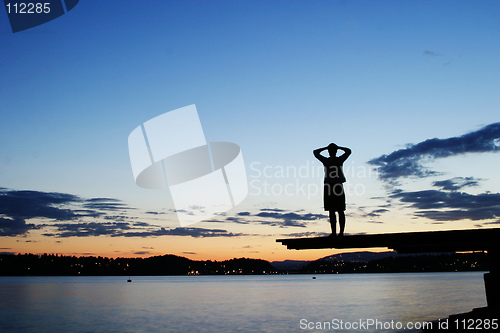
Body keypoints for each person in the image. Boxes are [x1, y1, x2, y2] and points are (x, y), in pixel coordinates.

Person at [313, 143, 351, 236]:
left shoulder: (327, 160)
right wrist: (337, 147)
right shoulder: (338, 160)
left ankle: (336, 233)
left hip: (331, 186)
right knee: (338, 210)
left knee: (335, 210)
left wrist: (326, 148)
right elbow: (348, 151)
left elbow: (315, 152)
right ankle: (339, 233)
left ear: (329, 152)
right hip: (335, 185)